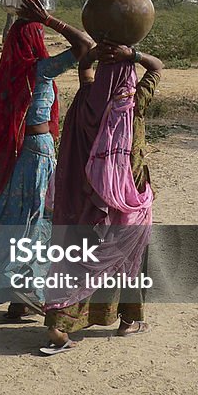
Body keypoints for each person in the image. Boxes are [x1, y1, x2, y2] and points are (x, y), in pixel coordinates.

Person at [0, 0, 94, 318]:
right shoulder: (41, 69)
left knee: (17, 218)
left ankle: (17, 298)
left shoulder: (13, 71)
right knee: (38, 220)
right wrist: (51, 20)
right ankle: (25, 293)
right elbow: (86, 46)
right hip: (38, 152)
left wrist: (30, 19)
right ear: (35, 42)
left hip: (18, 152)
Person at [40, 41, 164, 354]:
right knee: (127, 253)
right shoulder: (133, 103)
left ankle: (59, 322)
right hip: (126, 194)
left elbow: (84, 69)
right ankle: (128, 321)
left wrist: (93, 55)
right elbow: (157, 66)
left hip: (85, 196)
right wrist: (132, 56)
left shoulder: (85, 99)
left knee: (76, 257)